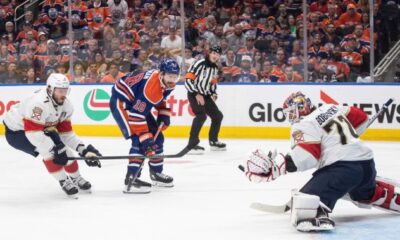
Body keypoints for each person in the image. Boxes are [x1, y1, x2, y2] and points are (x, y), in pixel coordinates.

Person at [243, 91, 400, 232]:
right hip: (367, 166)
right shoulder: (330, 108)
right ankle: (387, 195)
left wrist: (277, 166)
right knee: (364, 193)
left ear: (301, 108)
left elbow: (307, 157)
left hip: (343, 170)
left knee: (304, 202)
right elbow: (361, 117)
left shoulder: (303, 124)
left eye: (291, 112)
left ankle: (316, 215)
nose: (290, 117)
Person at [3, 73, 102, 198]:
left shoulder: (67, 106)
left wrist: (83, 150)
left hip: (38, 128)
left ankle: (76, 178)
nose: (63, 94)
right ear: (50, 89)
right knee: (50, 153)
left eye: (65, 90)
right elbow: (33, 133)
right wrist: (54, 149)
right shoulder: (38, 104)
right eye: (60, 91)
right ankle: (63, 180)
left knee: (63, 151)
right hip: (17, 132)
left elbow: (66, 134)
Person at [109, 58, 180, 194]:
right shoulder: (151, 88)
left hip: (136, 102)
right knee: (140, 141)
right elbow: (136, 116)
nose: (172, 80)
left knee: (157, 138)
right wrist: (146, 141)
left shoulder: (165, 82)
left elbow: (159, 97)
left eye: (175, 76)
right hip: (122, 104)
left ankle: (156, 174)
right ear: (162, 73)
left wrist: (163, 112)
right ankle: (131, 179)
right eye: (170, 76)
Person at [184, 45, 226, 154]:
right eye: (213, 53)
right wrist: (196, 93)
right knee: (201, 116)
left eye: (217, 54)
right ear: (209, 53)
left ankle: (213, 141)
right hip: (194, 93)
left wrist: (213, 93)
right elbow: (188, 79)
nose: (215, 56)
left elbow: (212, 82)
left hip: (206, 95)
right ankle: (192, 144)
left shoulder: (215, 68)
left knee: (218, 116)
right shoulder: (199, 64)